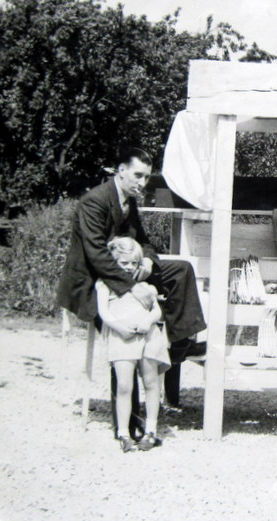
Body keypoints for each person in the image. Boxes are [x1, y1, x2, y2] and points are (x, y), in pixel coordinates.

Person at [56, 147, 206, 438]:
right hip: (92, 281)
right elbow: (96, 254)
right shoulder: (94, 201)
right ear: (120, 170)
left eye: (147, 177)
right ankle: (128, 424)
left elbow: (145, 241)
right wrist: (132, 287)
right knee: (128, 332)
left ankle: (180, 345)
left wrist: (148, 261)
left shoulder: (128, 201)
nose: (142, 182)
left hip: (124, 270)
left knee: (182, 270)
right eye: (138, 175)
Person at [96, 237, 170, 452]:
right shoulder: (105, 285)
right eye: (124, 263)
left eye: (133, 264)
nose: (129, 268)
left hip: (147, 336)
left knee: (151, 383)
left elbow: (156, 310)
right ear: (114, 263)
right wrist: (119, 328)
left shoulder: (144, 286)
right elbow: (104, 312)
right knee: (125, 386)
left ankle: (151, 431)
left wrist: (148, 321)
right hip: (123, 338)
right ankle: (123, 433)